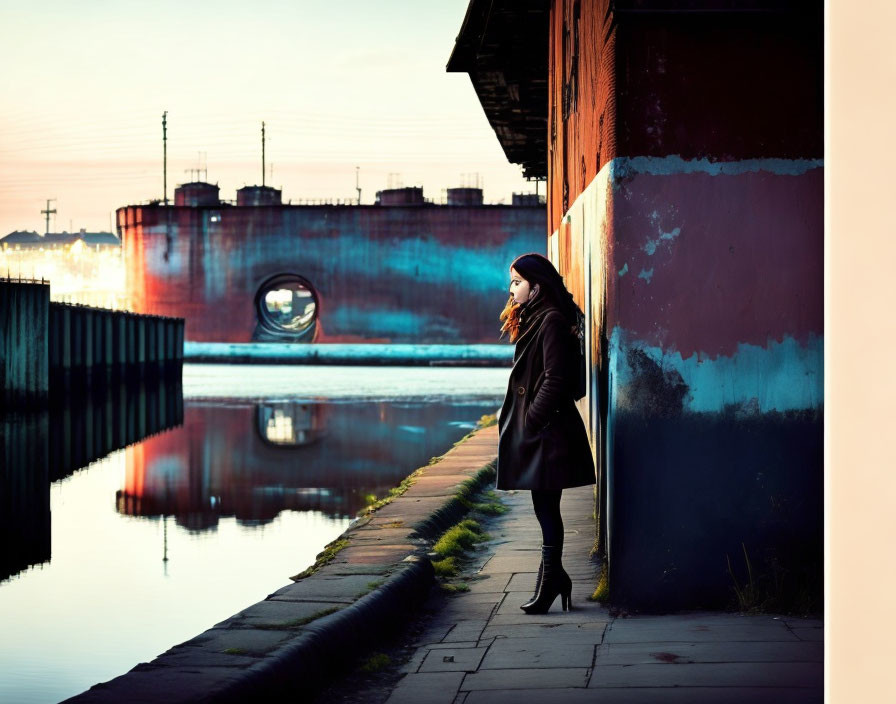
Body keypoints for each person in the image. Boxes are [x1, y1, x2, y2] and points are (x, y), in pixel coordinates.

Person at [496, 252, 596, 614]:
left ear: (536, 287)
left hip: (549, 431)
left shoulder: (549, 320)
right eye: (512, 281)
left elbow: (556, 378)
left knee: (547, 509)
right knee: (544, 507)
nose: (512, 289)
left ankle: (552, 580)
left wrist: (533, 419)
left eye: (518, 282)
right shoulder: (536, 317)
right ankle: (552, 579)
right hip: (544, 429)